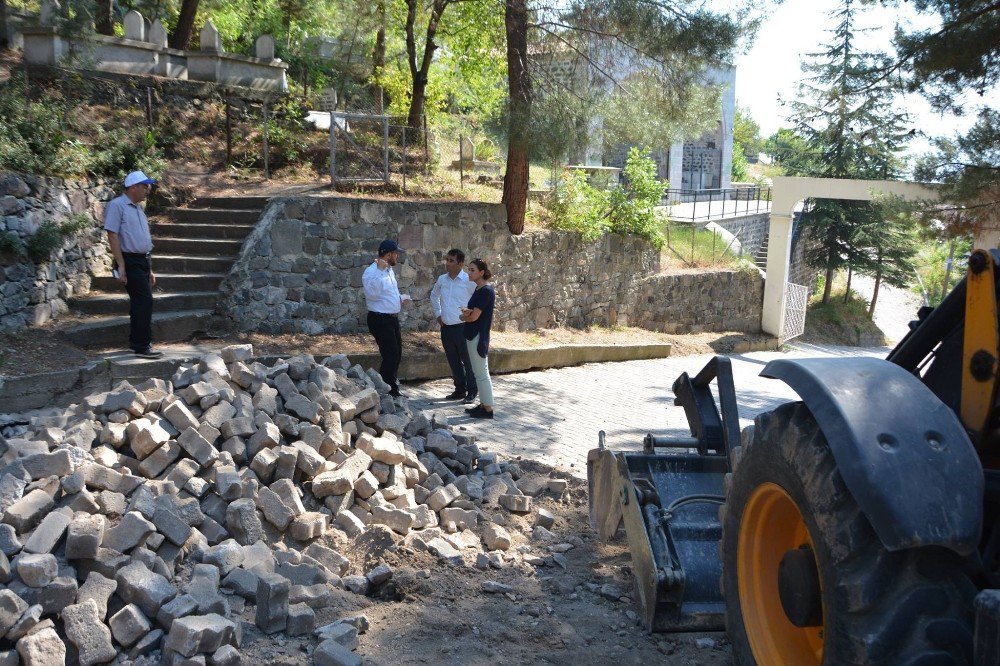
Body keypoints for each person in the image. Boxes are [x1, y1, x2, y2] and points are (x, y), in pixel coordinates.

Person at [103, 170, 161, 359]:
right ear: (133, 187)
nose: (148, 189)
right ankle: (141, 346)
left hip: (143, 260)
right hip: (129, 260)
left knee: (142, 301)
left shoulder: (138, 208)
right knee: (143, 301)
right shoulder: (117, 205)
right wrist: (121, 265)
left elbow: (142, 240)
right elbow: (112, 235)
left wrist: (149, 268)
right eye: (145, 186)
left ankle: (139, 342)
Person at [363, 239, 412, 397]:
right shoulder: (371, 272)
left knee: (397, 354)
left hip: (391, 318)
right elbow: (372, 294)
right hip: (380, 319)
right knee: (390, 355)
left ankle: (391, 387)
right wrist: (379, 270)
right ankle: (387, 391)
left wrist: (400, 298)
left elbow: (387, 294)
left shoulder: (389, 270)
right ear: (389, 254)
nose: (397, 256)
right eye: (395, 253)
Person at [430, 248, 478, 403]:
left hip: (463, 327)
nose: (448, 264)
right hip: (446, 327)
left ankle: (472, 391)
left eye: (452, 261)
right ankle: (459, 389)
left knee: (468, 361)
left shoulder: (468, 281)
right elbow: (434, 295)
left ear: (461, 263)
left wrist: (472, 316)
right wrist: (438, 315)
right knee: (453, 360)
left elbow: (479, 298)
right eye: (447, 260)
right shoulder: (442, 279)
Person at [460, 258, 496, 419]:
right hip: (474, 334)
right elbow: (475, 313)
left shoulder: (486, 291)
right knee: (478, 372)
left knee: (481, 373)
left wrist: (463, 317)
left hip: (478, 336)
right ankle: (483, 405)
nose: (469, 272)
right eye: (469, 269)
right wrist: (468, 313)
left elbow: (475, 317)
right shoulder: (479, 289)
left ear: (482, 272)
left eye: (472, 270)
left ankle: (487, 408)